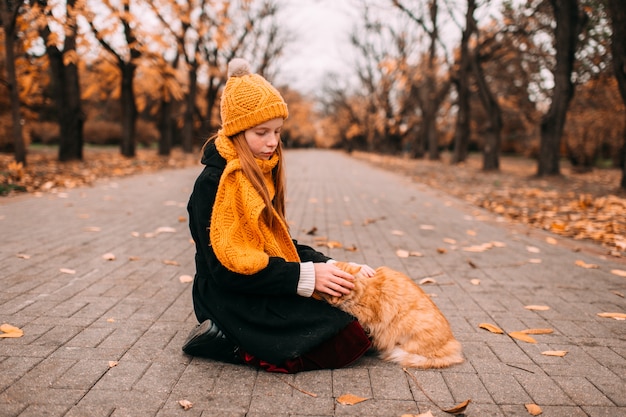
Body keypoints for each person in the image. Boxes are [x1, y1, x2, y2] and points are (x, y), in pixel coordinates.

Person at [183, 58, 374, 373]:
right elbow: (227, 272)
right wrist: (304, 277)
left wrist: (330, 266)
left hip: (257, 282)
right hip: (226, 294)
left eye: (277, 131)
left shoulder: (256, 172)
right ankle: (223, 340)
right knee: (342, 341)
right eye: (261, 132)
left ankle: (241, 337)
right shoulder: (214, 184)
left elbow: (277, 243)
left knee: (355, 325)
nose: (272, 142)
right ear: (236, 132)